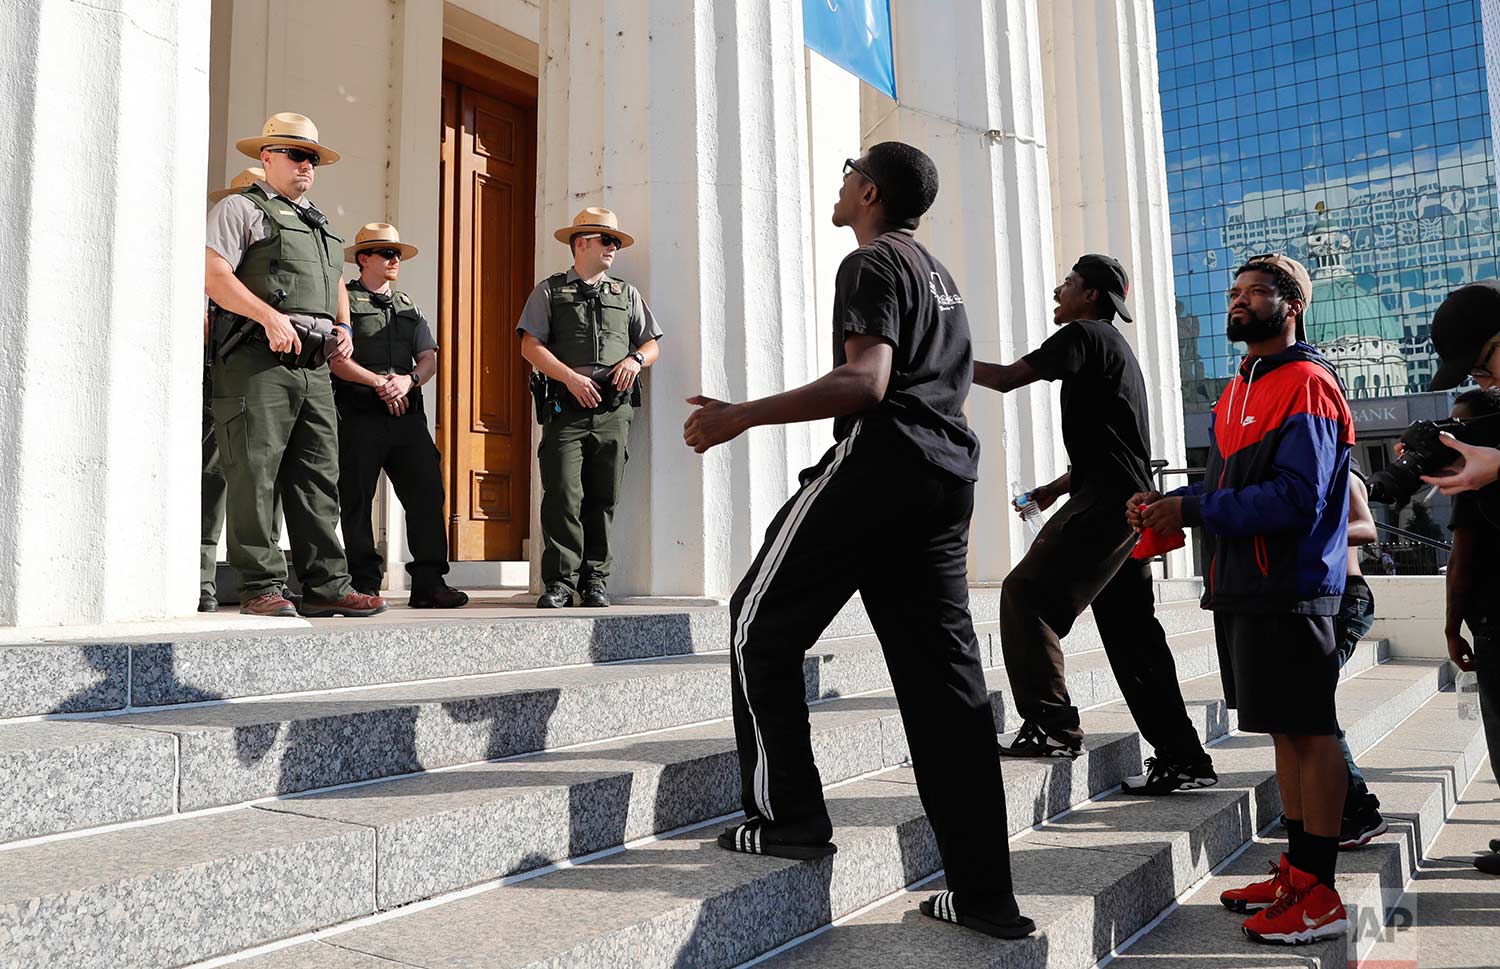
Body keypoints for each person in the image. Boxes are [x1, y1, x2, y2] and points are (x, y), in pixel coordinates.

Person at [682, 142, 1033, 941]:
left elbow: (868, 382)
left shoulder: (872, 263)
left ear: (869, 190)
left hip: (884, 467)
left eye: (847, 170)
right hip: (948, 482)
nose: (839, 181)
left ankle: (788, 818)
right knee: (950, 696)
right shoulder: (938, 276)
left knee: (754, 628)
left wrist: (740, 415)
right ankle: (986, 898)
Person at [1131, 254, 1354, 946]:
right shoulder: (1236, 390)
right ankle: (1299, 870)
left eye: (1256, 292)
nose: (1238, 301)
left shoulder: (1308, 384)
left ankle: (1321, 895)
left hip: (1296, 587)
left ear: (1292, 307)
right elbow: (1229, 491)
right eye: (1233, 291)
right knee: (1285, 732)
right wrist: (1172, 508)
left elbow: (1299, 497)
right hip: (1246, 588)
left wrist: (1191, 510)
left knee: (1312, 734)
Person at [971, 255, 1216, 794]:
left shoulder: (1084, 333)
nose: (1059, 290)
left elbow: (1011, 378)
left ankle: (1052, 727)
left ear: (1091, 296)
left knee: (1025, 595)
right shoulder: (1114, 349)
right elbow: (1109, 445)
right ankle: (1184, 758)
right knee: (1133, 639)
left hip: (1106, 509)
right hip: (1123, 507)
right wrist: (1049, 491)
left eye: (1068, 284)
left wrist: (942, 356)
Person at [204, 112, 386, 619]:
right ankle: (260, 585)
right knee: (254, 471)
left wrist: (344, 330)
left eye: (312, 157)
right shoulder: (242, 209)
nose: (306, 165)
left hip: (313, 367)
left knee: (318, 475)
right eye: (295, 154)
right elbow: (214, 275)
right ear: (266, 157)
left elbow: (336, 288)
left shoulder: (319, 223)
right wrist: (267, 316)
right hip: (257, 359)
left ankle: (327, 584)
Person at [516, 208, 662, 608]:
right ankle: (560, 583)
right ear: (581, 244)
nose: (613, 247)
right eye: (606, 240)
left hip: (613, 409)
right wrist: (569, 378)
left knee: (603, 496)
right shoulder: (550, 291)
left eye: (615, 241)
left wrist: (635, 361)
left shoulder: (626, 294)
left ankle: (594, 580)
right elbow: (530, 346)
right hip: (567, 405)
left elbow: (652, 344)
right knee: (562, 493)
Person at [330, 223, 468, 609]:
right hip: (358, 411)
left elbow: (429, 358)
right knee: (356, 498)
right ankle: (363, 583)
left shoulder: (408, 305)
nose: (395, 260)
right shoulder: (344, 302)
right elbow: (335, 358)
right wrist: (378, 383)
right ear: (363, 259)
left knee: (427, 492)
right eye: (386, 253)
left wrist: (408, 381)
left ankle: (428, 582)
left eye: (397, 254)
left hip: (406, 414)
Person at [201, 167, 266, 612]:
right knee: (210, 478)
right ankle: (202, 580)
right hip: (212, 375)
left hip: (251, 376)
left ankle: (268, 578)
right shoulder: (213, 254)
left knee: (258, 477)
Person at [1334, 471, 1385, 847]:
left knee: (1311, 707)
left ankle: (1360, 811)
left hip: (1346, 599)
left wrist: (1306, 531)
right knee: (1306, 707)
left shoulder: (1346, 473)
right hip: (1327, 600)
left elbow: (1368, 529)